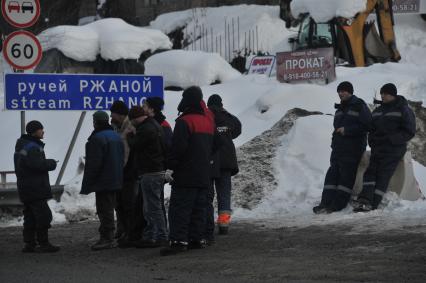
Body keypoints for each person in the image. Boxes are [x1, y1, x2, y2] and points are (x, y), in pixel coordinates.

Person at [160, 86, 215, 256]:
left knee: (180, 208)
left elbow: (178, 148)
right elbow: (216, 144)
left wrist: (171, 167)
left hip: (185, 174)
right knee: (199, 208)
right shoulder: (207, 121)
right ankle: (196, 239)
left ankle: (178, 241)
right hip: (204, 174)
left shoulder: (185, 121)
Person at [354, 83, 416, 212]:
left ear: (393, 94)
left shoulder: (403, 109)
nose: (382, 96)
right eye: (381, 93)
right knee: (370, 173)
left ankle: (373, 203)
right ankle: (365, 200)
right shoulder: (378, 111)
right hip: (378, 148)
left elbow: (409, 131)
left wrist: (391, 140)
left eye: (385, 93)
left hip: (394, 149)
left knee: (383, 175)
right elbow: (371, 129)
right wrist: (372, 142)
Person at [313, 81, 372, 214]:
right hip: (338, 149)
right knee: (331, 175)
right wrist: (334, 142)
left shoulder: (359, 106)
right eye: (339, 91)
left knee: (346, 176)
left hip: (353, 149)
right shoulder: (339, 109)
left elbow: (368, 125)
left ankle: (337, 205)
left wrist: (347, 130)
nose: (341, 93)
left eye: (344, 91)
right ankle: (325, 203)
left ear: (350, 92)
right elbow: (336, 129)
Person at [14, 120, 60, 253]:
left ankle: (30, 244)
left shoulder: (22, 145)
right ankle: (43, 243)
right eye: (41, 129)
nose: (43, 131)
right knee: (43, 215)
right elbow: (37, 165)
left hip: (26, 187)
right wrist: (51, 163)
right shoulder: (32, 147)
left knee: (30, 216)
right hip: (35, 188)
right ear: (34, 131)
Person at [81, 111, 124, 251]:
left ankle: (107, 238)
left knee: (104, 210)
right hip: (116, 178)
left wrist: (87, 184)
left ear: (95, 122)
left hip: (103, 181)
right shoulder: (116, 137)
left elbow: (93, 164)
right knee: (111, 208)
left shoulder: (97, 139)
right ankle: (111, 236)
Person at [127, 105, 168, 248]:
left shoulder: (145, 129)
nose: (131, 123)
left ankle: (161, 236)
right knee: (149, 207)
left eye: (132, 120)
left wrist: (130, 135)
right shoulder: (155, 125)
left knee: (153, 207)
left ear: (136, 118)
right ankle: (151, 235)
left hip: (150, 171)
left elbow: (136, 145)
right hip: (156, 170)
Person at [206, 94, 241, 236]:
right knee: (224, 195)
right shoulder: (229, 117)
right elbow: (237, 129)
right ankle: (224, 224)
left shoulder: (206, 117)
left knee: (208, 195)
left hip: (209, 160)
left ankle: (206, 223)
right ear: (221, 104)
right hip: (226, 162)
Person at [109, 101, 139, 247]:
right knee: (119, 203)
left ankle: (130, 233)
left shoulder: (130, 128)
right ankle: (123, 230)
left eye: (113, 114)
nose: (110, 116)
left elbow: (128, 151)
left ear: (119, 114)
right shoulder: (115, 127)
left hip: (129, 172)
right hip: (118, 171)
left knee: (128, 204)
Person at [144, 97, 173, 227]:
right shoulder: (155, 123)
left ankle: (160, 233)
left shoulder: (162, 125)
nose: (143, 108)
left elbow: (167, 148)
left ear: (152, 109)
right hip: (152, 168)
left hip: (157, 169)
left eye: (145, 106)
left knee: (156, 202)